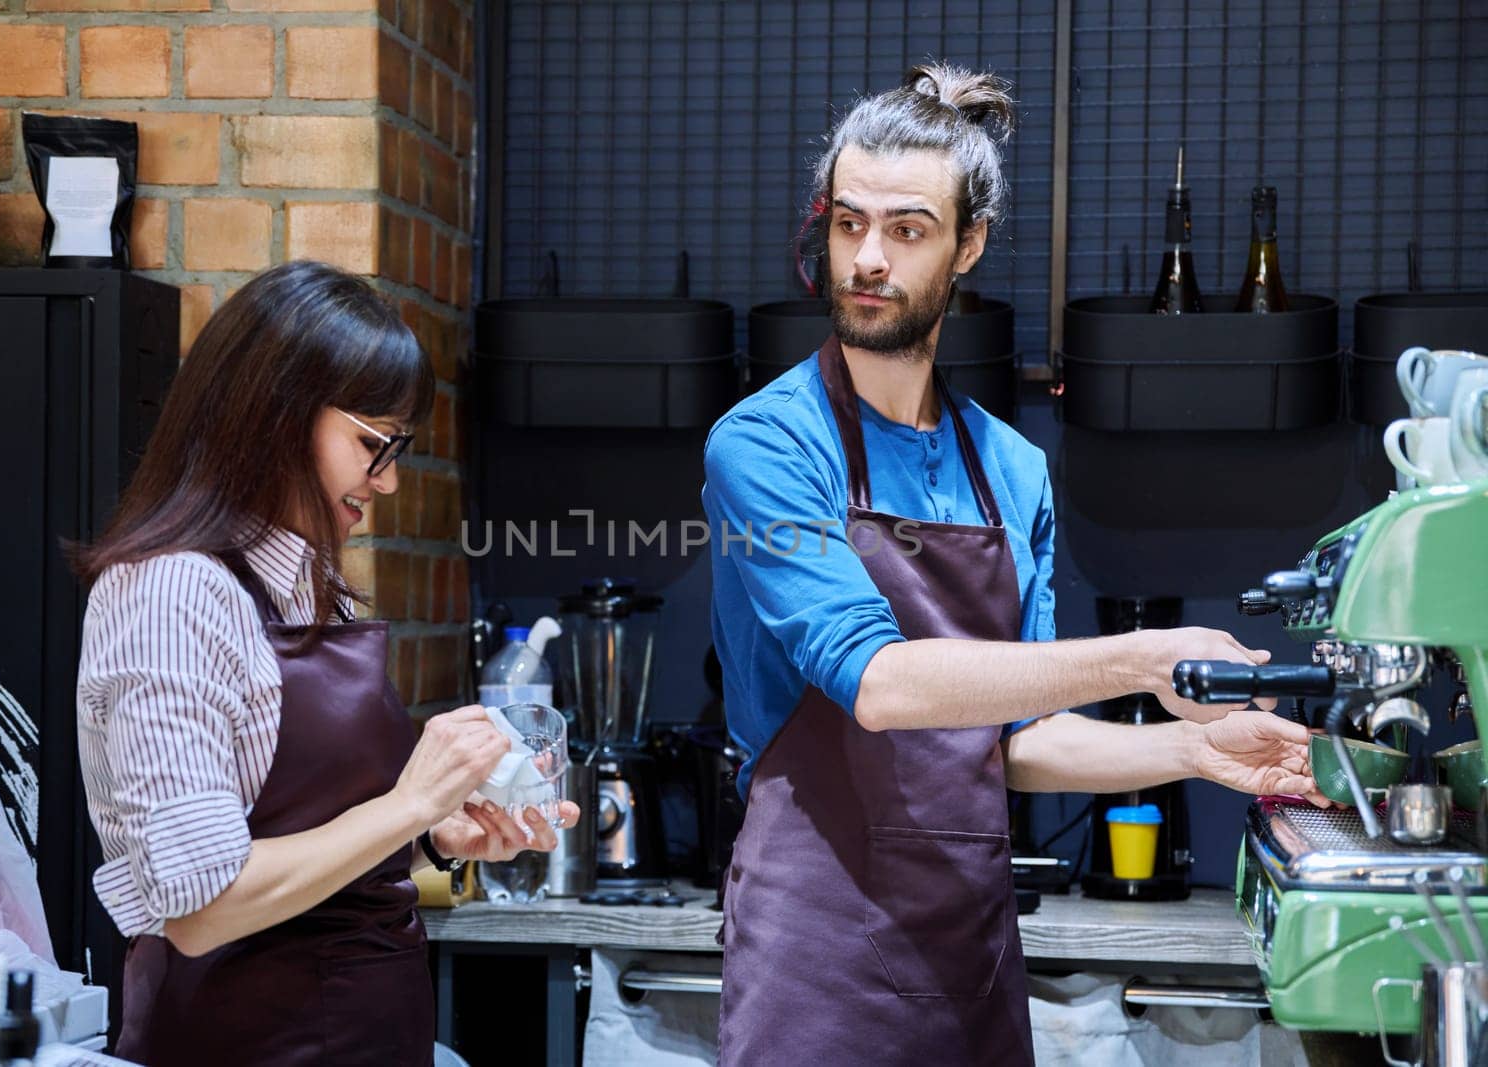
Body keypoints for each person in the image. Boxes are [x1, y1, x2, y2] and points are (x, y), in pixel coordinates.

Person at [703, 64, 1324, 1066]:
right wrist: (1140, 658)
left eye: (906, 229)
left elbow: (1017, 741)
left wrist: (1196, 753)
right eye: (848, 222)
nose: (866, 257)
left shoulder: (1010, 467)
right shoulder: (766, 443)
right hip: (812, 954)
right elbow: (878, 681)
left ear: (968, 244)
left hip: (971, 956)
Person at [74, 260, 579, 1065]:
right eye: (373, 444)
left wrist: (439, 834)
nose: (386, 482)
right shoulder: (171, 593)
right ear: (276, 414)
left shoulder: (314, 589)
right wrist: (409, 802)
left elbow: (319, 845)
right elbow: (201, 906)